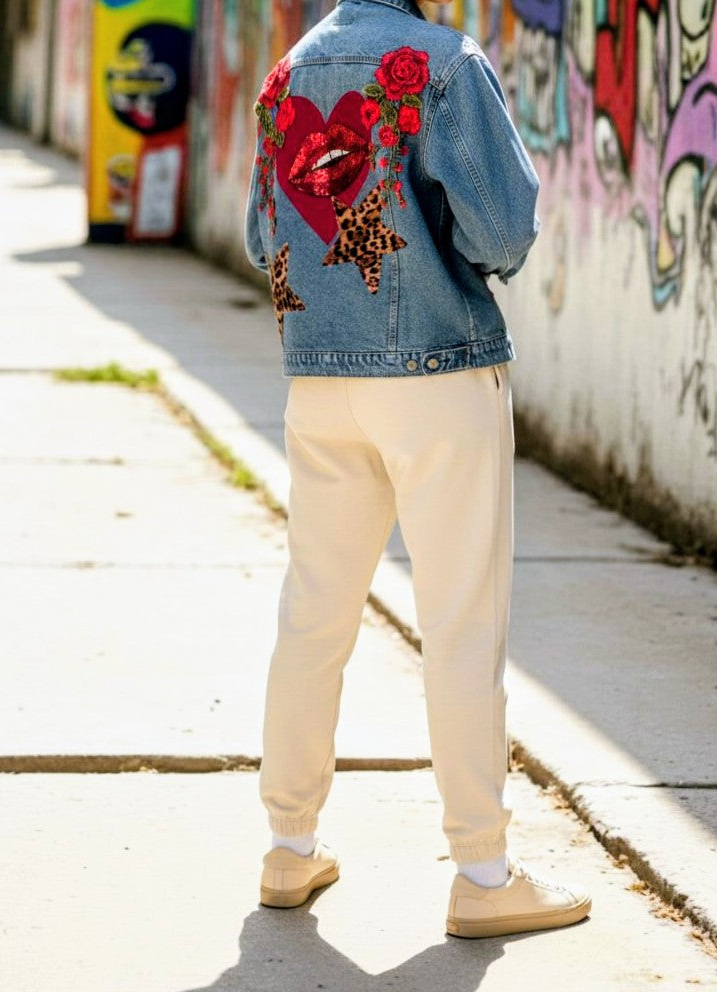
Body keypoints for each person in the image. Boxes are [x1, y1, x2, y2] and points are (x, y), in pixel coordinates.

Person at [244, 0, 591, 939]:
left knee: (313, 612)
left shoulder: (287, 75)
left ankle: (288, 846)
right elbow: (503, 231)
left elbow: (262, 239)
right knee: (461, 621)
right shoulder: (444, 63)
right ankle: (483, 873)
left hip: (320, 380)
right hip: (438, 375)